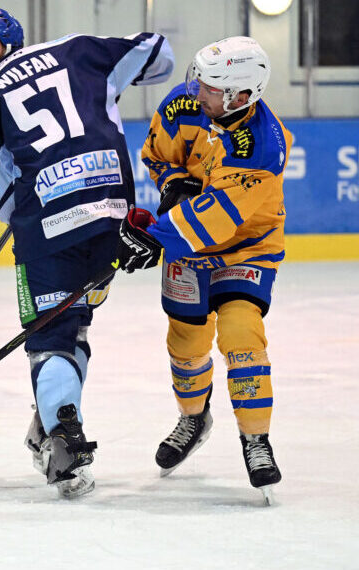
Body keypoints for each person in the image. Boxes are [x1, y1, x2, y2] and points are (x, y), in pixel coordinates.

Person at [0, 7, 174, 497]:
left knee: (51, 341)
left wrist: (39, 213)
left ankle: (64, 438)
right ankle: (52, 415)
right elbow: (160, 55)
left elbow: (5, 198)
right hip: (114, 215)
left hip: (49, 228)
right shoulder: (79, 48)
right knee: (79, 326)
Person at [118, 36, 289, 501]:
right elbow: (156, 154)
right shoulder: (184, 104)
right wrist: (173, 182)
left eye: (210, 87)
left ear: (241, 96)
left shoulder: (261, 147)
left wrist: (154, 237)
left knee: (240, 334)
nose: (196, 91)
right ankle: (194, 418)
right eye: (198, 78)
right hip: (187, 245)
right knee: (186, 342)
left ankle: (256, 440)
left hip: (245, 249)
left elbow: (215, 218)